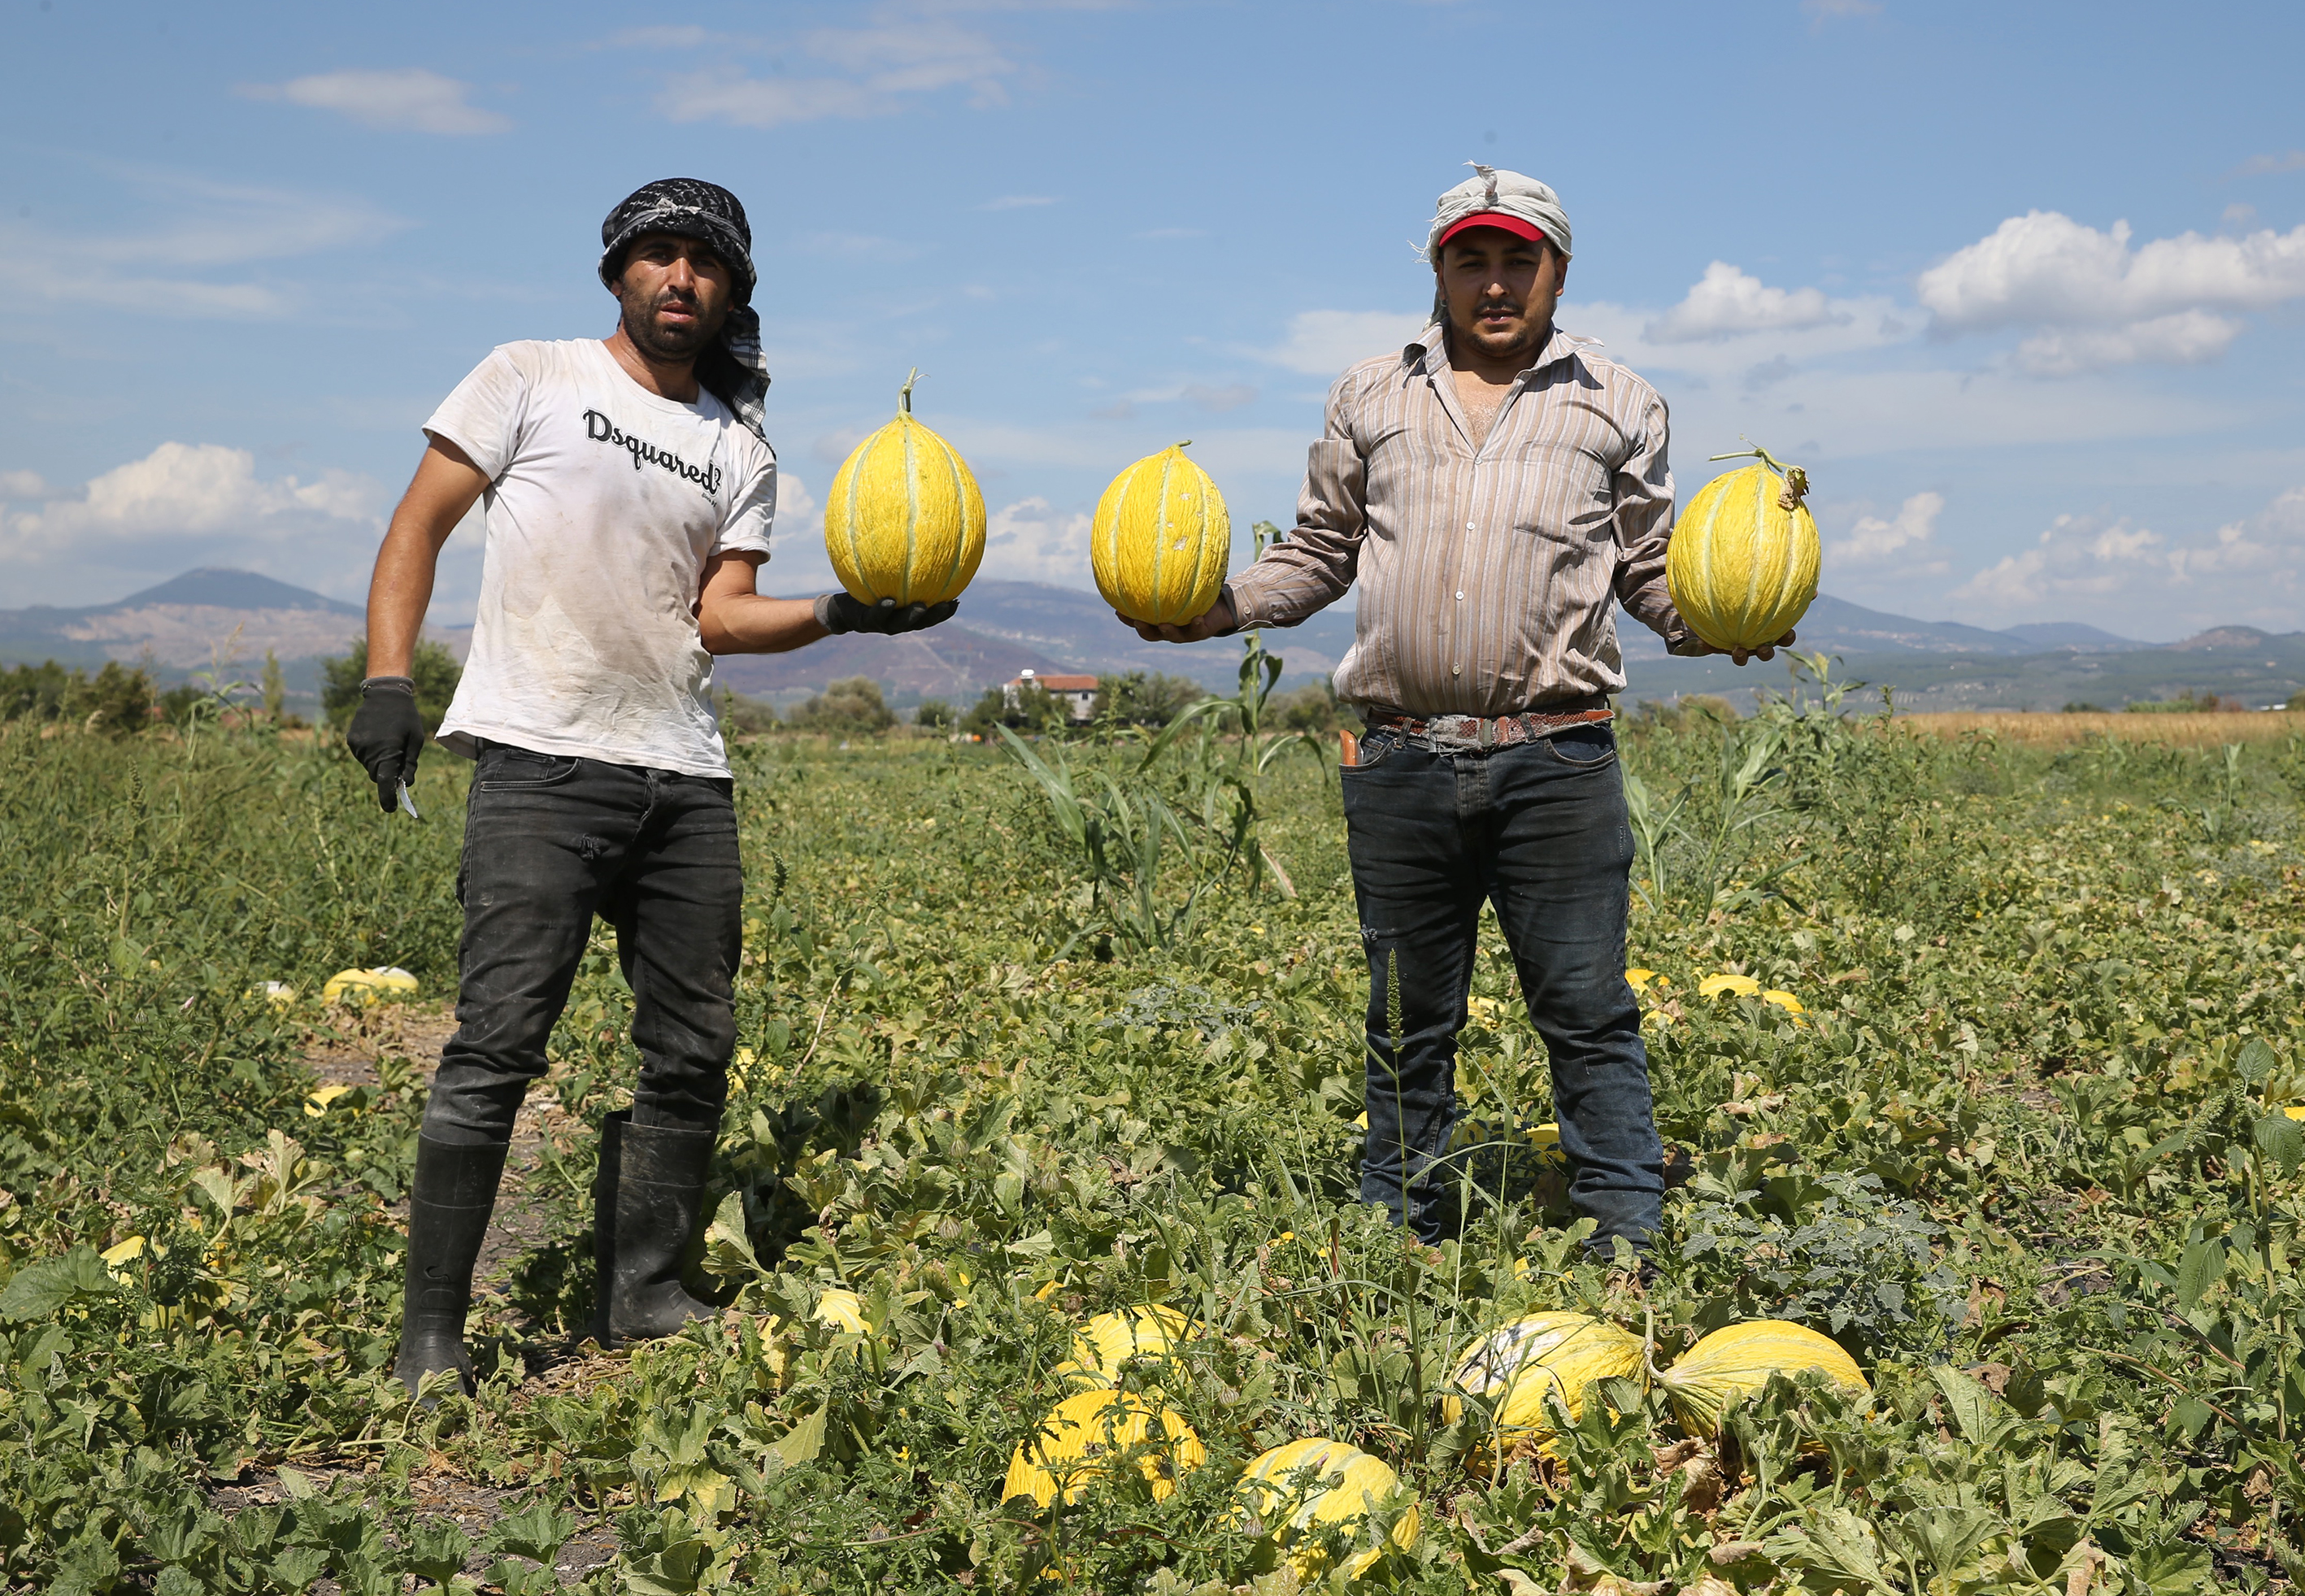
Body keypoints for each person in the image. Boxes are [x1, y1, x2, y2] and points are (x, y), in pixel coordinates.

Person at [347, 179, 955, 1398]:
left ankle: (643, 1289)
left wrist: (842, 614)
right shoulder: (530, 374)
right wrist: (387, 680)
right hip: (540, 762)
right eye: (660, 255)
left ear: (731, 291)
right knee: (498, 1045)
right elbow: (418, 525)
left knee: (692, 1045)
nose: (682, 278)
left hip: (682, 774)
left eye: (707, 264)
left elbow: (719, 617)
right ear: (620, 269)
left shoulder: (739, 441)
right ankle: (432, 1335)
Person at [1120, 166, 1790, 1257]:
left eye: (1517, 260)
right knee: (1405, 1022)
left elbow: (1650, 570)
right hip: (1402, 761)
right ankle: (1401, 1243)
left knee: (1586, 1010)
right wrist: (1217, 611)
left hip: (1558, 756)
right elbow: (1321, 553)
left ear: (1557, 273)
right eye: (1471, 259)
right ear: (1438, 269)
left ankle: (1627, 1244)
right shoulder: (1369, 394)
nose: (1494, 283)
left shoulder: (1621, 401)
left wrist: (1712, 621)